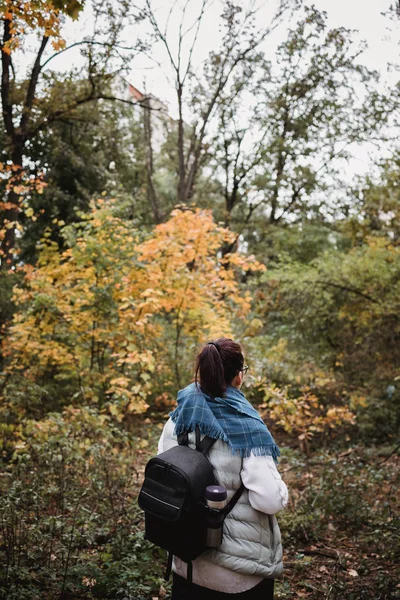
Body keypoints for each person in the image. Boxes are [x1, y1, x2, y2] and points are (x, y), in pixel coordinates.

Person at [158, 338, 288, 599]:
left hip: (186, 562)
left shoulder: (178, 417)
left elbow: (165, 476)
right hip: (238, 574)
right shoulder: (247, 427)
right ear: (238, 377)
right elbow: (270, 500)